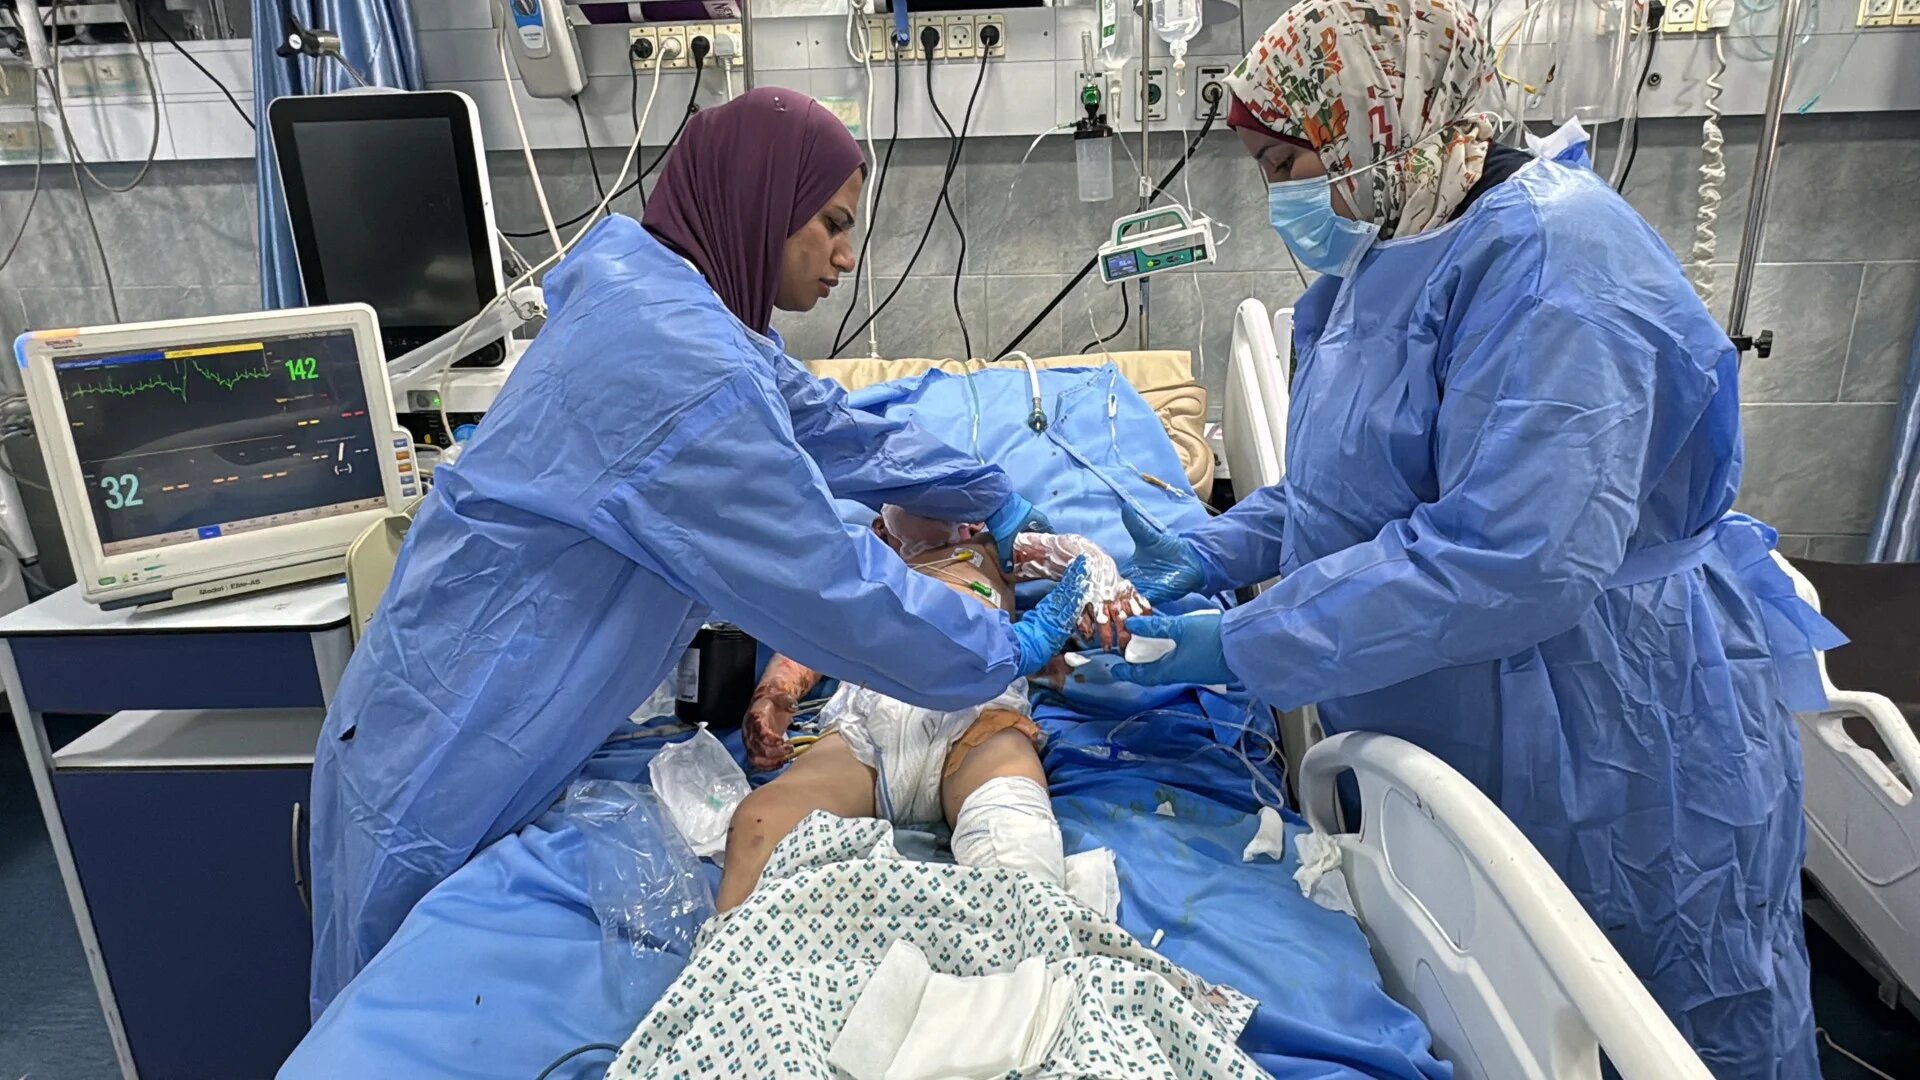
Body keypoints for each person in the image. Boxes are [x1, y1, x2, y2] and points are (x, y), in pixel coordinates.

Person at [1110, 2, 1844, 1076]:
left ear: (1377, 111)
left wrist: (1248, 642)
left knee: (1650, 1012)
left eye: (1284, 160)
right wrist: (1224, 548)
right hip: (1457, 712)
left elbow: (1516, 556)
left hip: (1612, 719)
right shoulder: (1384, 250)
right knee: (1496, 1015)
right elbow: (1354, 489)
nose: (1279, 196)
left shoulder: (1560, 261)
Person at [306, 88, 1088, 1016]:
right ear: (759, 199)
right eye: (832, 223)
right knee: (395, 1004)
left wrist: (988, 493)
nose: (847, 255)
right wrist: (1001, 651)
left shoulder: (681, 308)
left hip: (473, 696)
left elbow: (840, 432)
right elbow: (829, 587)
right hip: (443, 740)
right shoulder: (684, 371)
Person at [723, 507, 1145, 908]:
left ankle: (1029, 956)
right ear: (882, 528)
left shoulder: (989, 550)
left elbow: (1079, 558)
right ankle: (734, 958)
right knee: (761, 823)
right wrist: (775, 695)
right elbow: (817, 634)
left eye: (960, 505)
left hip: (978, 716)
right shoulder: (867, 563)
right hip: (868, 725)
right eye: (921, 500)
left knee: (1016, 836)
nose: (953, 513)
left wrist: (1105, 585)